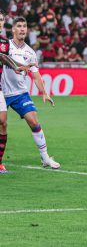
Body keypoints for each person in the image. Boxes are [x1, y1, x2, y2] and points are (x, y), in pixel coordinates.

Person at [1, 17, 60, 169]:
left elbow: (36, 75)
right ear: (13, 29)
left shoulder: (30, 52)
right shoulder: (5, 45)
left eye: (24, 26)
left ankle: (45, 158)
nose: (22, 29)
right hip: (2, 92)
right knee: (2, 124)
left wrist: (44, 92)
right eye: (19, 26)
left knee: (34, 121)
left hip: (20, 93)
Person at [0, 11, 34, 173]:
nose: (0, 22)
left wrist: (17, 66)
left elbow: (3, 58)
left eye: (1, 20)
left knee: (3, 121)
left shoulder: (3, 42)